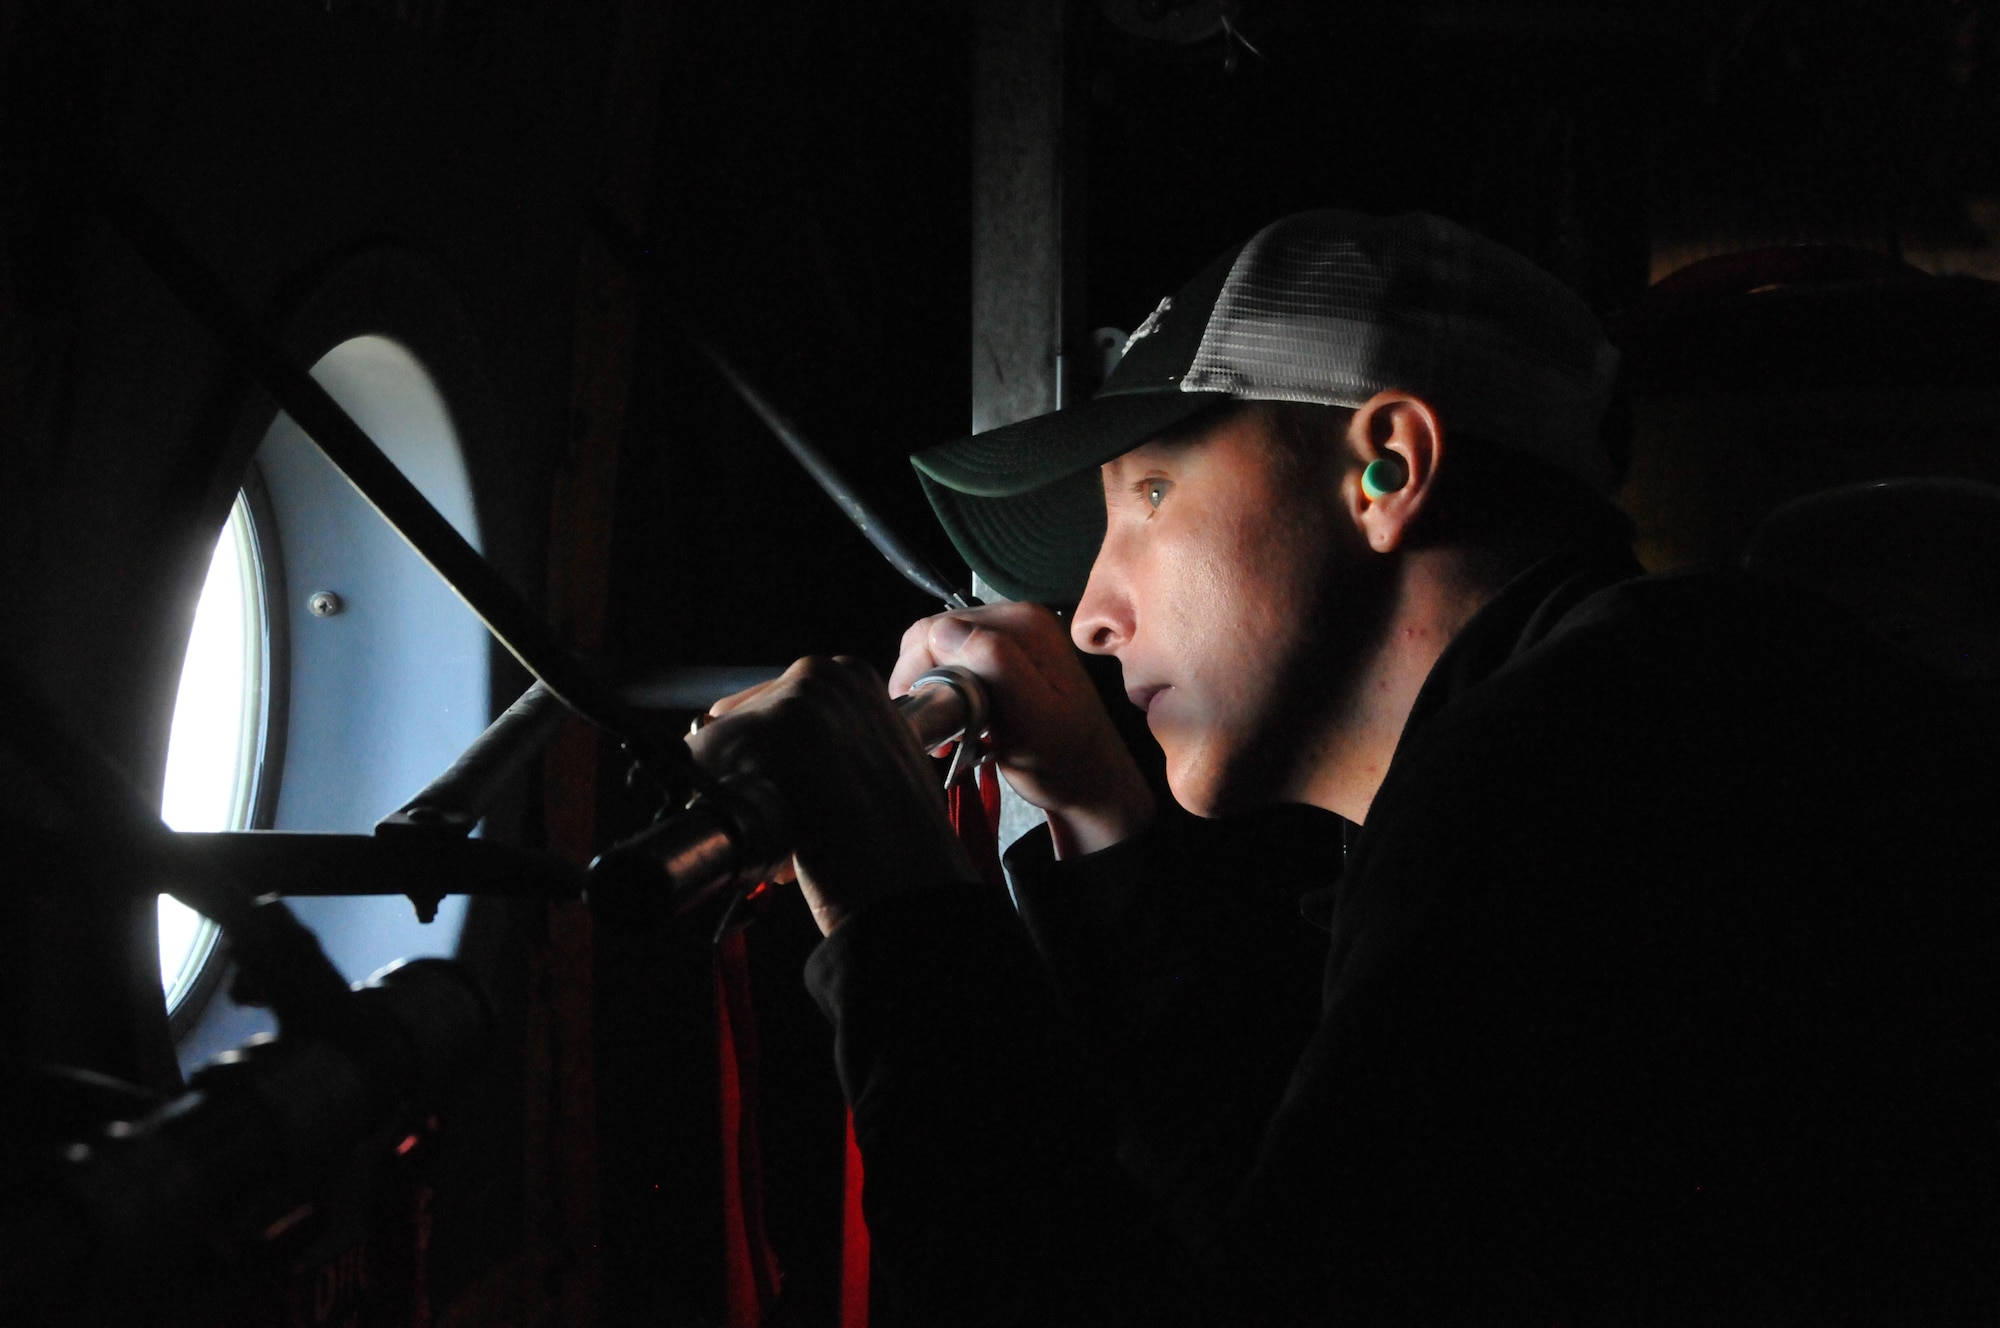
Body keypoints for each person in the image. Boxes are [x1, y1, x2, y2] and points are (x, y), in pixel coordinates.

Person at [692, 211, 1999, 1325]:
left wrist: (903, 926)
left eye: (1145, 498)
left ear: (1388, 467)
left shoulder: (1582, 769)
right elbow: (1272, 1226)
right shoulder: (1620, 729)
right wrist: (1103, 821)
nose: (1088, 618)